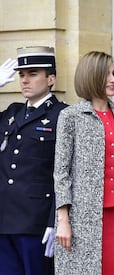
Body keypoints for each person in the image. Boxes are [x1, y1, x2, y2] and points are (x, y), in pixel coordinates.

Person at [54, 51, 114, 275]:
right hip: (83, 218)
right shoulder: (70, 116)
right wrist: (63, 219)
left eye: (113, 73)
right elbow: (61, 172)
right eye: (107, 74)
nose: (113, 79)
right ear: (92, 76)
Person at [0, 46, 67, 275]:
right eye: (21, 75)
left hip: (36, 223)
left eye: (33, 74)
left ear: (51, 79)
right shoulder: (12, 113)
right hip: (4, 220)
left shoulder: (63, 115)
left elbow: (65, 174)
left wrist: (54, 220)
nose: (25, 80)